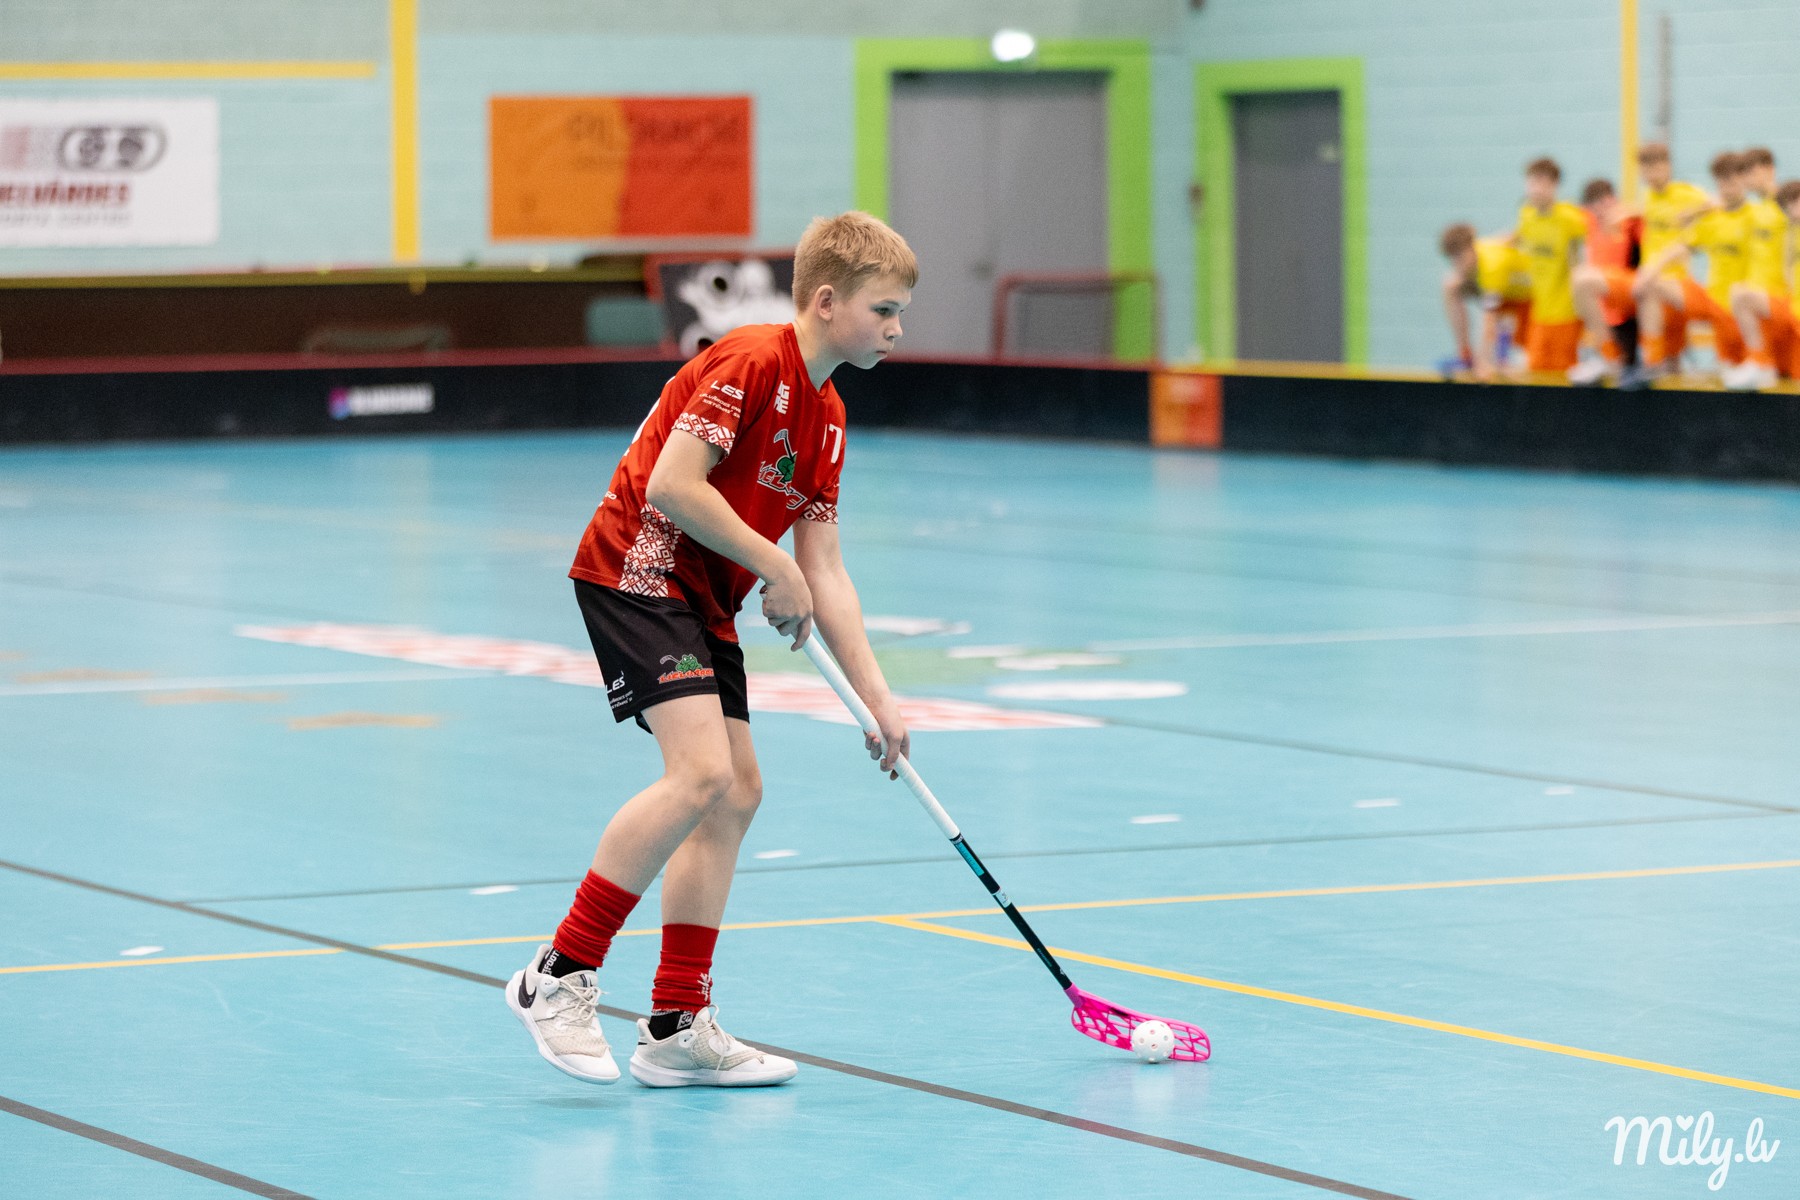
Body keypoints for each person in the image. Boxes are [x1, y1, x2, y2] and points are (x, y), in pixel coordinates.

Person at [506, 211, 917, 1088]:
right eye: (883, 310)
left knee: (736, 795)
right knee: (699, 774)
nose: (896, 329)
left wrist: (878, 698)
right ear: (827, 300)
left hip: (704, 596)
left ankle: (674, 1022)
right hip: (639, 566)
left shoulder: (829, 416)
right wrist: (775, 565)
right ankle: (559, 975)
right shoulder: (750, 360)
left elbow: (825, 569)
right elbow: (671, 485)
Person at [1629, 151, 1749, 388]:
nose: (1726, 187)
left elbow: (1711, 202)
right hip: (1713, 302)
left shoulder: (1756, 217)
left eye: (1732, 181)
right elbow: (1681, 247)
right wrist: (1652, 270)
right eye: (1721, 182)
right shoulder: (1710, 222)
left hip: (1740, 305)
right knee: (1650, 287)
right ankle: (1652, 362)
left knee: (1749, 372)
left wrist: (1692, 212)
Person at [1722, 147, 1792, 390]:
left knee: (1739, 294)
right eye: (1745, 174)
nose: (1748, 179)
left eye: (1753, 172)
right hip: (1761, 303)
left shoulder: (1788, 206)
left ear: (1770, 170)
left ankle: (1760, 365)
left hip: (1783, 299)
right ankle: (1761, 365)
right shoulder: (1756, 210)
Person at [1514, 157, 1589, 374]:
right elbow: (1517, 239)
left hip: (1566, 313)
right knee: (1536, 372)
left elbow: (1585, 258)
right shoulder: (1527, 214)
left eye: (1542, 183)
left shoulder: (1570, 218)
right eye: (1532, 182)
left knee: (1563, 376)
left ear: (1554, 185)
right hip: (1539, 313)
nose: (1536, 189)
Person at [1568, 177, 1644, 384]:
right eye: (1596, 205)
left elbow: (1654, 216)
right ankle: (1607, 355)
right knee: (1581, 285)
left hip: (1629, 292)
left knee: (1582, 278)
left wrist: (1632, 210)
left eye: (1607, 202)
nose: (1603, 210)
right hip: (1607, 301)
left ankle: (1611, 356)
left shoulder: (1630, 223)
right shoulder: (1590, 222)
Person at [1438, 221, 1533, 379]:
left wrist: (1482, 362)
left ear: (1471, 248)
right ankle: (1465, 354)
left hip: (1527, 297)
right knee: (1450, 285)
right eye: (1452, 260)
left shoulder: (1492, 266)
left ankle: (1501, 358)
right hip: (1504, 292)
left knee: (1498, 313)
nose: (1457, 265)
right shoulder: (1481, 248)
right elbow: (1507, 238)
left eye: (1460, 258)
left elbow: (1489, 319)